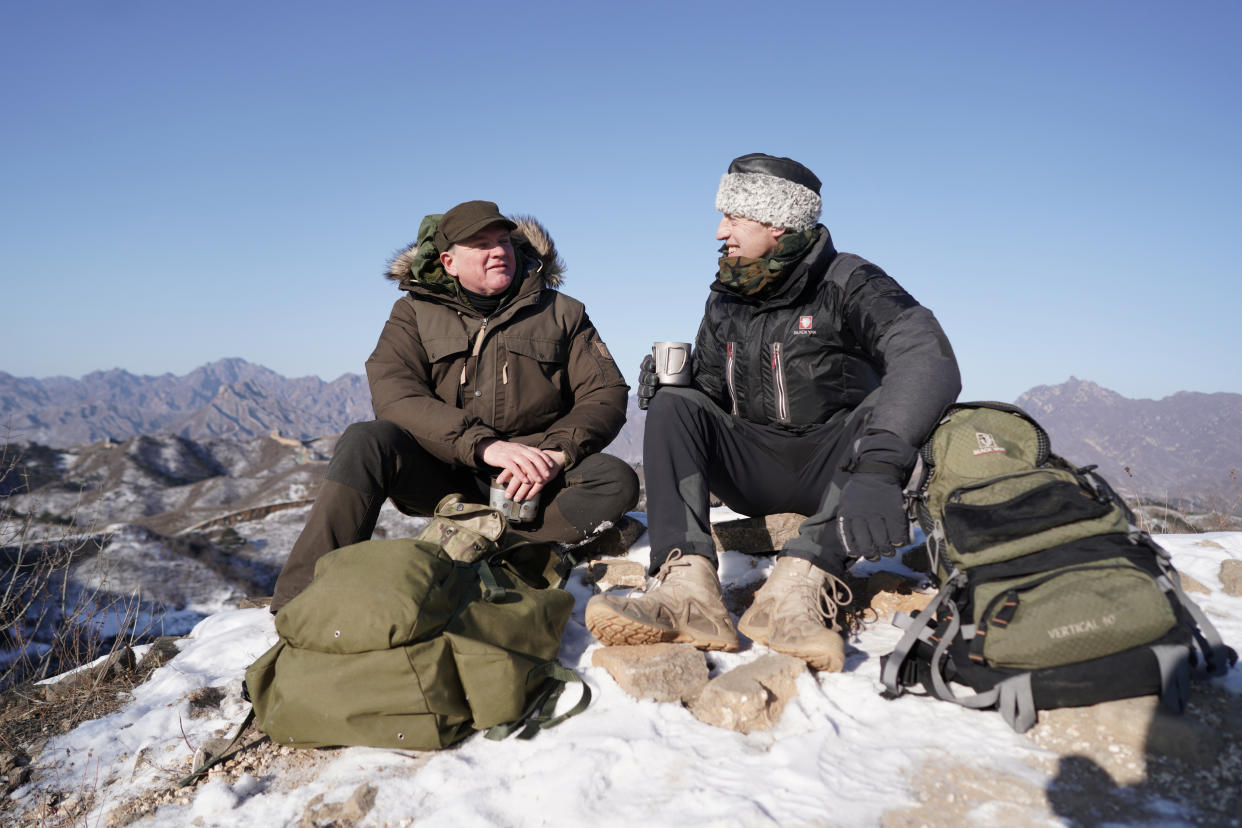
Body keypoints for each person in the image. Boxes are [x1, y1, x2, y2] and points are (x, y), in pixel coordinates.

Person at [586, 154, 961, 671]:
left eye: (734, 218)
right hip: (753, 472)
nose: (720, 232)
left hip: (836, 473)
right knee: (676, 402)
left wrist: (880, 468)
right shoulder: (727, 296)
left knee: (889, 398)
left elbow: (927, 357)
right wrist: (680, 383)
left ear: (776, 221)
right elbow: (712, 397)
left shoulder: (849, 280)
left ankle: (798, 588)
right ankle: (687, 589)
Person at [272, 200, 638, 612]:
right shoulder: (412, 313)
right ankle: (299, 603)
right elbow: (395, 395)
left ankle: (497, 551)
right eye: (480, 245)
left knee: (616, 480)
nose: (498, 251)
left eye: (503, 241)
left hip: (529, 484)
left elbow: (605, 392)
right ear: (449, 262)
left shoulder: (563, 313)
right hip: (441, 474)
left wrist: (555, 453)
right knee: (366, 440)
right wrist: (481, 445)